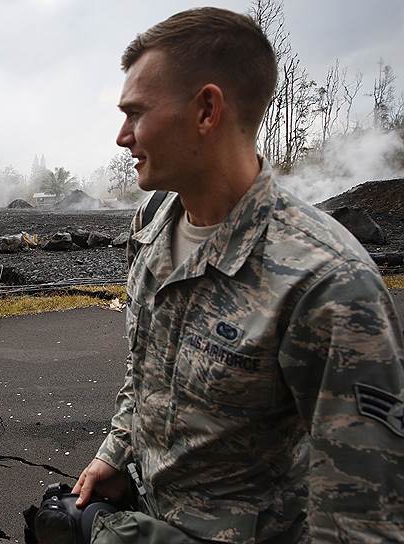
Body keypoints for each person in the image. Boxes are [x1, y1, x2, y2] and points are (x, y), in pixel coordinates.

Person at [72, 7, 404, 543]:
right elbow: (145, 369)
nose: (121, 136)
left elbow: (363, 518)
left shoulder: (326, 282)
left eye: (136, 113)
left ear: (207, 110)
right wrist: (117, 451)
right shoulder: (155, 224)